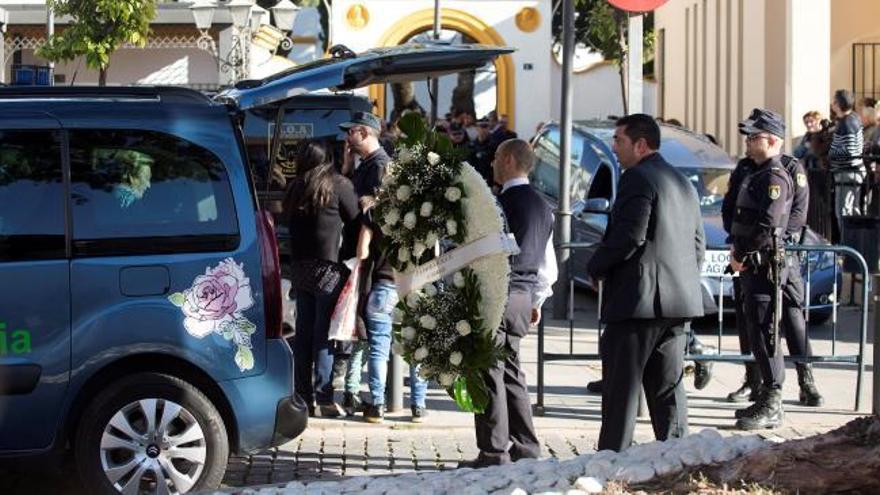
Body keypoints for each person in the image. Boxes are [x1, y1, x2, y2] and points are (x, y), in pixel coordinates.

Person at [587, 114, 705, 452]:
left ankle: (610, 461)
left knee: (621, 392)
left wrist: (596, 268)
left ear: (641, 145)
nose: (614, 147)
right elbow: (697, 245)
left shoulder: (637, 178)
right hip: (677, 302)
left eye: (619, 140)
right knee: (667, 390)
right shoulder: (683, 182)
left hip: (638, 302)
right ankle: (677, 457)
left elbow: (629, 235)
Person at [459, 138, 557, 468]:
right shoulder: (543, 205)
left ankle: (493, 451)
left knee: (488, 372)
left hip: (496, 295)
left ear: (511, 161)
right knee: (512, 372)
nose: (492, 164)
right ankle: (526, 446)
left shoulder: (496, 204)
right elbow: (548, 262)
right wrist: (537, 299)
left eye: (497, 158)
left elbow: (483, 250)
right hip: (522, 296)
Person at [723, 109, 824, 408]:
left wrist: (768, 244)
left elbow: (793, 216)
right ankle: (755, 380)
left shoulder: (788, 168)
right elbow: (732, 207)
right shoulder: (746, 168)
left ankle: (805, 380)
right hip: (749, 255)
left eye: (753, 136)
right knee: (750, 318)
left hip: (779, 255)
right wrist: (738, 243)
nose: (747, 141)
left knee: (791, 317)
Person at [339, 111, 429, 423]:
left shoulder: (376, 200)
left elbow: (363, 247)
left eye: (351, 131)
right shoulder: (421, 215)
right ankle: (419, 407)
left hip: (382, 280)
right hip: (415, 282)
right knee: (417, 346)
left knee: (378, 347)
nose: (346, 138)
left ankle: (376, 405)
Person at [727, 110, 795, 430]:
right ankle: (764, 392)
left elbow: (767, 224)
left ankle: (773, 400)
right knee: (756, 330)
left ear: (772, 140)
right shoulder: (756, 172)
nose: (748, 141)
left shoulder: (774, 177)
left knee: (767, 333)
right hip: (752, 266)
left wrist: (741, 252)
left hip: (763, 265)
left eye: (753, 137)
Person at [285, 141, 361, 417]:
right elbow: (355, 217)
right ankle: (325, 397)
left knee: (303, 333)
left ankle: (303, 395)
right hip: (329, 267)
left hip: (301, 267)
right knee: (325, 334)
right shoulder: (337, 184)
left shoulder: (295, 187)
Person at [828, 89, 866, 234]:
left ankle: (849, 246)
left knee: (844, 212)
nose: (832, 104)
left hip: (848, 172)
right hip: (851, 171)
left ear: (839, 103)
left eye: (834, 101)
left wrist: (830, 152)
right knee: (850, 210)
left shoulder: (847, 122)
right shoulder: (853, 118)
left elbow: (850, 150)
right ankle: (853, 244)